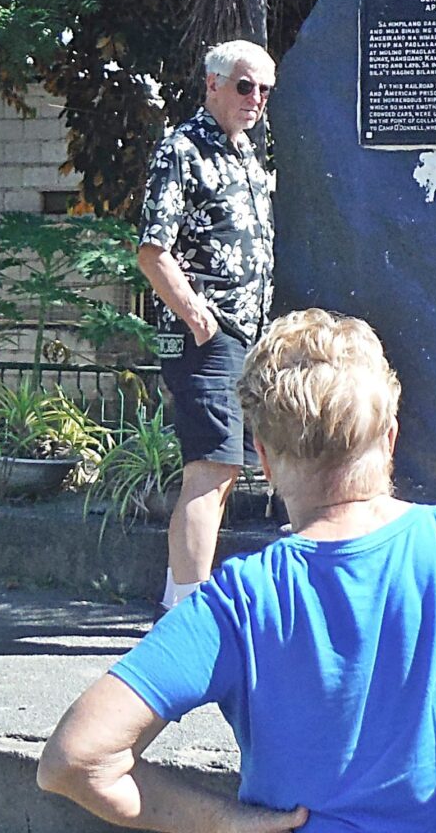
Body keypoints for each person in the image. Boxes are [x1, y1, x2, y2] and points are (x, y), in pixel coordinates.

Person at [38, 309, 436, 833]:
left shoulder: (242, 599)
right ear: (390, 438)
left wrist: (225, 821)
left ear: (263, 458)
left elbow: (75, 760)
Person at [136, 40, 279, 611]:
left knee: (222, 474)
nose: (255, 98)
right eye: (245, 85)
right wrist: (199, 320)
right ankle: (190, 615)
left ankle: (179, 604)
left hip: (244, 338)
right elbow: (153, 250)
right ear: (213, 84)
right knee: (211, 470)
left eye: (264, 90)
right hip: (210, 341)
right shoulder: (183, 149)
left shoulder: (244, 155)